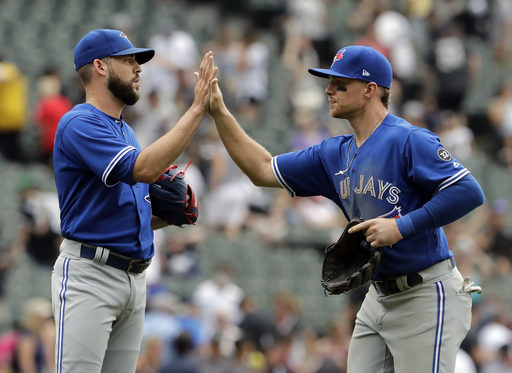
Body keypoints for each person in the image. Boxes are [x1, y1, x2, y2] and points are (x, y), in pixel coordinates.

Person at [208, 44, 485, 372]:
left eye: (340, 84)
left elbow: (468, 191)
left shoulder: (409, 140)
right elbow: (263, 170)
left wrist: (401, 226)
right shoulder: (333, 154)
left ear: (370, 90)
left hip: (425, 293)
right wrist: (220, 112)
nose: (328, 90)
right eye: (329, 83)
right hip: (378, 297)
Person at [51, 29, 216, 373]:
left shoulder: (124, 130)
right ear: (99, 66)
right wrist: (198, 108)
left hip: (134, 277)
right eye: (128, 61)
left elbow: (129, 209)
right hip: (91, 275)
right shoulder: (79, 122)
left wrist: (169, 215)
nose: (138, 68)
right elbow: (144, 168)